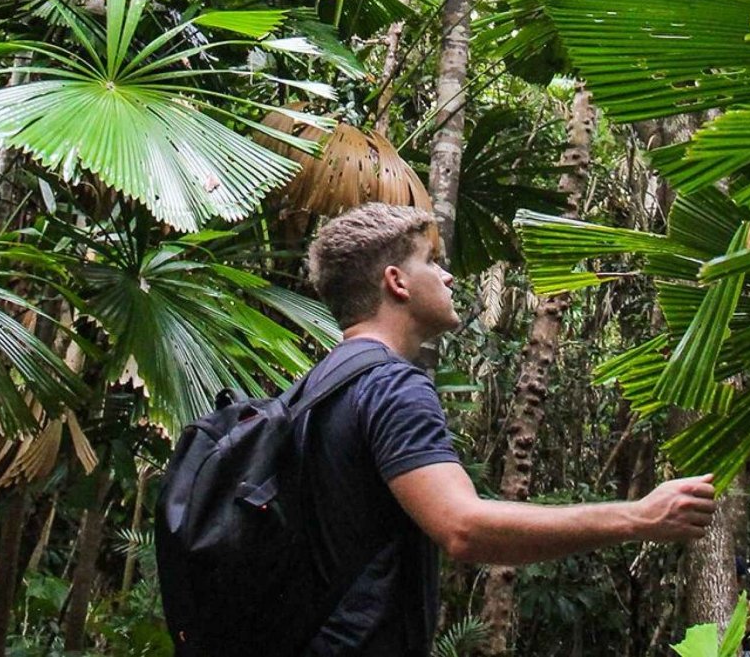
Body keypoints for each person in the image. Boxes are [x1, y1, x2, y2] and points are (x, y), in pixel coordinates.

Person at [297, 202, 719, 655]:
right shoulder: (392, 387)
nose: (448, 277)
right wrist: (639, 517)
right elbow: (463, 527)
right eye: (431, 262)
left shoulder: (312, 390)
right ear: (397, 282)